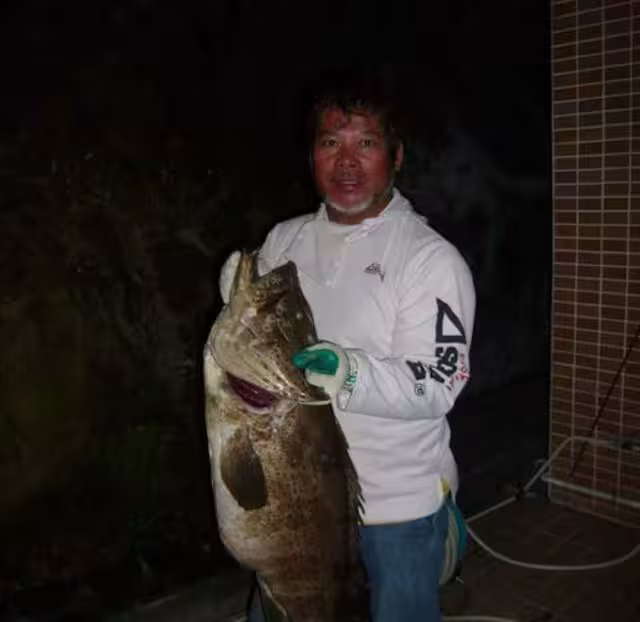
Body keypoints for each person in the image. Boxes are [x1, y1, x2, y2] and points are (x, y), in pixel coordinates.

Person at [219, 77, 476, 622]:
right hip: (299, 496)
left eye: (367, 142)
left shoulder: (430, 260)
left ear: (396, 157)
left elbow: (439, 383)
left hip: (397, 509)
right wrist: (234, 296)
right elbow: (252, 333)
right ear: (312, 154)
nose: (347, 161)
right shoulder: (284, 240)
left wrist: (349, 373)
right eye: (331, 142)